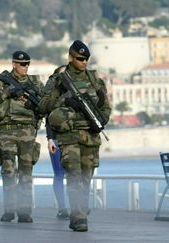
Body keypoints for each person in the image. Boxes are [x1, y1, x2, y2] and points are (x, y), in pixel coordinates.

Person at [39, 40, 111, 232]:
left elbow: (105, 105)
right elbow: (44, 106)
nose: (84, 62)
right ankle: (79, 217)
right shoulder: (57, 81)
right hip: (68, 136)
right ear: (70, 57)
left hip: (91, 135)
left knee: (86, 177)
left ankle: (79, 211)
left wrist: (101, 121)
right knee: (73, 175)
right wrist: (64, 98)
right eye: (80, 58)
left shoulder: (95, 80)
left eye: (86, 59)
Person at [0, 50, 43, 223]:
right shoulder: (1, 81)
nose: (25, 67)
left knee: (26, 172)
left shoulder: (35, 82)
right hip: (7, 131)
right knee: (8, 171)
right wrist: (6, 93)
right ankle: (9, 210)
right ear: (14, 64)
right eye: (22, 64)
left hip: (27, 131)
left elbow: (44, 103)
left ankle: (24, 211)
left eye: (27, 64)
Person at [46, 121, 69, 220]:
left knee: (59, 175)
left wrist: (50, 139)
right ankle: (76, 208)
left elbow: (48, 119)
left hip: (56, 139)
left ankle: (62, 209)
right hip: (72, 140)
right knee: (74, 174)